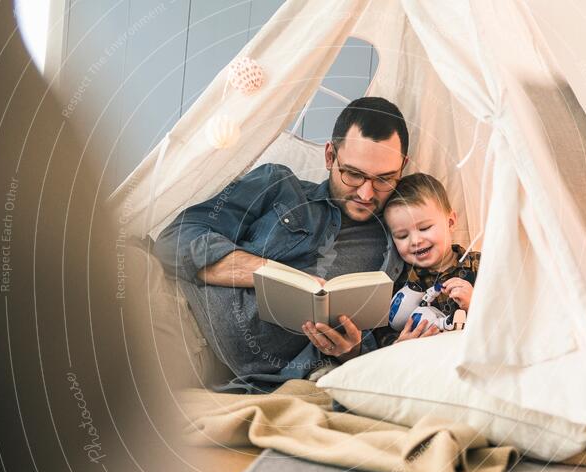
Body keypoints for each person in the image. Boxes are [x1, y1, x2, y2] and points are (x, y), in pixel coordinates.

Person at [153, 97, 409, 392]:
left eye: (385, 179)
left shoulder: (400, 249)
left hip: (222, 371)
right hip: (175, 304)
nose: (366, 193)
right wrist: (267, 272)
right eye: (353, 174)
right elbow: (173, 239)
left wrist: (350, 351)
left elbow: (380, 354)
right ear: (330, 156)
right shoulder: (278, 185)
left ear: (403, 167)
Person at [378, 173, 481, 346]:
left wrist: (473, 304)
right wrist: (398, 342)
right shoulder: (399, 281)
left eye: (424, 228)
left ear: (450, 223)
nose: (415, 241)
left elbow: (507, 317)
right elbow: (382, 332)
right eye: (402, 236)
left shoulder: (479, 265)